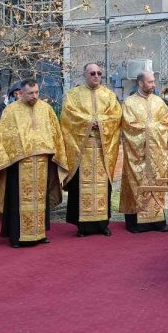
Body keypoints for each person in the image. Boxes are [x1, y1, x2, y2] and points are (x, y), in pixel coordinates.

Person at [0, 79, 68, 248]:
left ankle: (40, 233)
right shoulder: (11, 111)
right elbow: (3, 137)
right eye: (30, 93)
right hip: (19, 164)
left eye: (37, 92)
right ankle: (17, 236)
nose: (34, 96)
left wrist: (55, 153)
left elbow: (56, 133)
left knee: (41, 199)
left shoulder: (46, 109)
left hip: (42, 163)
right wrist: (17, 152)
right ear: (21, 93)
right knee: (18, 200)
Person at [60, 62, 122, 237]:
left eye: (99, 73)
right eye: (93, 73)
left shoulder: (109, 95)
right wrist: (88, 121)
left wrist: (100, 122)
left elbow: (116, 115)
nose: (96, 76)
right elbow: (68, 115)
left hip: (103, 149)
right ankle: (83, 226)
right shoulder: (73, 95)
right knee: (81, 187)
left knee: (103, 187)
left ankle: (103, 224)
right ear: (85, 75)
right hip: (82, 149)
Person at [120, 70, 168, 233]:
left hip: (156, 153)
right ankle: (136, 223)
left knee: (156, 181)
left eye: (154, 81)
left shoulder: (159, 102)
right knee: (137, 182)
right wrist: (149, 128)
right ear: (141, 83)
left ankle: (158, 222)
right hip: (137, 153)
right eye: (150, 82)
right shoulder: (129, 102)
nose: (154, 85)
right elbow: (128, 125)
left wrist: (151, 128)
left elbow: (165, 123)